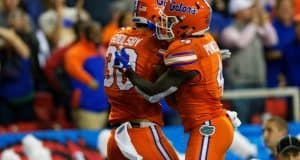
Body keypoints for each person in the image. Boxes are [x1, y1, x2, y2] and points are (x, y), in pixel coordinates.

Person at [115, 0, 237, 159]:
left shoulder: (185, 50)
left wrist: (128, 71)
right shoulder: (205, 39)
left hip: (208, 126)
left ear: (189, 24)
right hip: (214, 123)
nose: (164, 24)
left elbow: (152, 92)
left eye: (171, 20)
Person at [104, 0, 179, 159]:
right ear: (154, 15)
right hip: (142, 134)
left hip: (116, 136)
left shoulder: (117, 36)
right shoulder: (155, 44)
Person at [221, 0, 277, 123]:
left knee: (262, 122)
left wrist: (264, 21)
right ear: (237, 12)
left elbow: (273, 41)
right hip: (239, 84)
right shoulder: (228, 31)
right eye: (248, 9)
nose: (252, 11)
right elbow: (241, 43)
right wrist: (255, 22)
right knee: (241, 122)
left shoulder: (255, 28)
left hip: (259, 81)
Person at [64, 20, 109, 130]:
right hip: (85, 106)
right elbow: (74, 69)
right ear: (85, 34)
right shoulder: (75, 52)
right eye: (94, 33)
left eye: (99, 32)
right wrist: (89, 80)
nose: (98, 36)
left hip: (103, 105)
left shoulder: (101, 50)